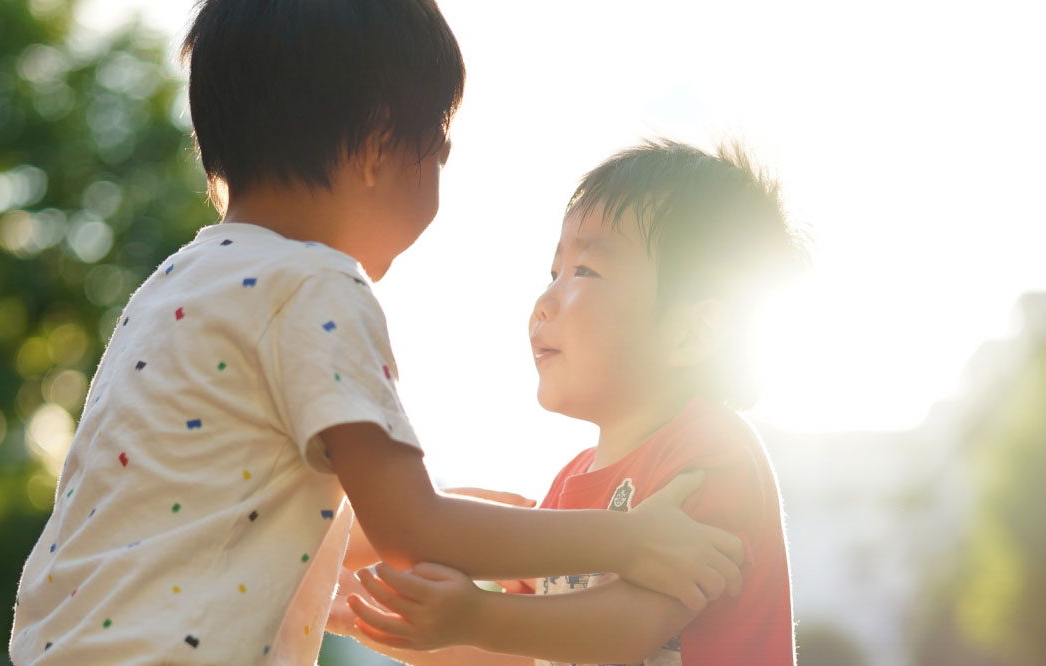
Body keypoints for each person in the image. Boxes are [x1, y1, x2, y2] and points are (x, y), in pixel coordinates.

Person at [6, 3, 744, 663]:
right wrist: (630, 539)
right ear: (378, 149)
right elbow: (413, 529)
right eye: (439, 149)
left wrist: (495, 523)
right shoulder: (316, 288)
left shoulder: (178, 284)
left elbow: (278, 511)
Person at [333, 139, 805, 665]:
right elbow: (526, 653)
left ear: (690, 334)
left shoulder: (713, 457)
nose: (544, 303)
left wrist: (477, 615)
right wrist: (372, 622)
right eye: (552, 273)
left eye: (586, 272)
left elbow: (629, 627)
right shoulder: (570, 485)